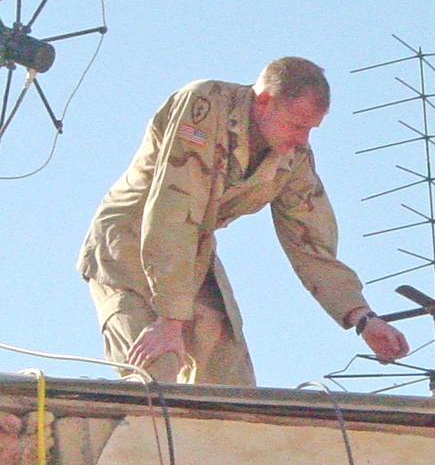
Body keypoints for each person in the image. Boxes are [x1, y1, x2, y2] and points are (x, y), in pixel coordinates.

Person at [77, 56, 408, 385]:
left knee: (229, 378)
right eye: (296, 125)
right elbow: (176, 205)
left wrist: (363, 318)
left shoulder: (293, 158)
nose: (302, 139)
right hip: (126, 246)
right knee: (156, 372)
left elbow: (310, 243)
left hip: (192, 251)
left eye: (310, 129)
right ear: (264, 102)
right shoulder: (205, 105)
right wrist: (170, 319)